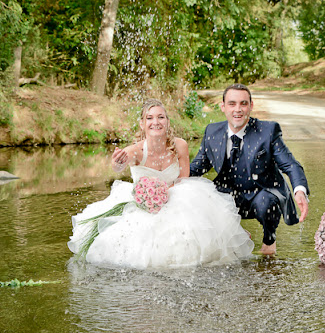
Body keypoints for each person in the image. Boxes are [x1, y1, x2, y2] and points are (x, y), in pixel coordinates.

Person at [67, 99, 254, 269]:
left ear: (167, 122)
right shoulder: (135, 151)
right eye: (149, 118)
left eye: (160, 117)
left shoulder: (180, 145)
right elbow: (119, 166)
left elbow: (183, 181)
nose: (155, 122)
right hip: (144, 207)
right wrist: (117, 163)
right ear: (142, 124)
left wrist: (164, 193)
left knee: (198, 220)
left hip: (177, 199)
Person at [190, 84, 309, 256]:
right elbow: (197, 167)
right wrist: (171, 180)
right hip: (228, 196)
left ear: (251, 106)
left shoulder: (267, 131)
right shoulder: (212, 132)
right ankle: (237, 233)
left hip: (261, 193)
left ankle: (269, 239)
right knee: (199, 194)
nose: (237, 109)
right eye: (232, 104)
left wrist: (300, 190)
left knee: (266, 202)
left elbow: (290, 164)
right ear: (223, 107)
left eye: (243, 104)